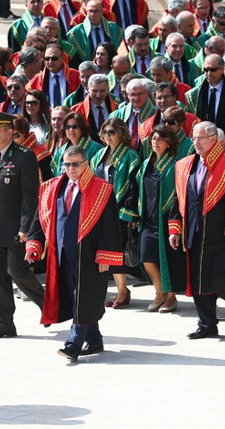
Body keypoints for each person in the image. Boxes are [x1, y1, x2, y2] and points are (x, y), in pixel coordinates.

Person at [23, 145, 122, 360]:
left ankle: (73, 344)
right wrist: (34, 244)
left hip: (89, 255)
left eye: (76, 164)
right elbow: (41, 219)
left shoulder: (102, 189)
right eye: (67, 164)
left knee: (84, 297)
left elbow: (110, 225)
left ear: (86, 164)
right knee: (75, 297)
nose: (71, 168)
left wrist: (106, 254)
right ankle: (94, 340)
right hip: (61, 254)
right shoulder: (53, 188)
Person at [168, 121, 225, 338]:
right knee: (199, 280)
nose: (196, 143)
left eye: (200, 138)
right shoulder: (185, 165)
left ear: (213, 139)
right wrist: (175, 227)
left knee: (221, 276)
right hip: (194, 231)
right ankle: (206, 324)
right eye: (193, 138)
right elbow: (179, 198)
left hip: (220, 233)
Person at [0, 111, 45, 338]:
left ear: (9, 131)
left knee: (17, 270)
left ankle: (50, 306)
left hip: (16, 227)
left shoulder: (24, 156)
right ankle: (3, 323)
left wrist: (26, 227)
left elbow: (29, 196)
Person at [89, 118, 141, 309]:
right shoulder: (98, 155)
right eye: (105, 132)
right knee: (102, 250)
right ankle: (117, 290)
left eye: (112, 132)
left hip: (120, 209)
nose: (108, 136)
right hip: (100, 207)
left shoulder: (131, 156)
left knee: (116, 251)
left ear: (121, 133)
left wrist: (130, 214)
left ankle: (122, 291)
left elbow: (135, 187)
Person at [137, 125, 184, 313]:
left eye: (160, 139)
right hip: (148, 218)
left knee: (168, 260)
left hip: (166, 218)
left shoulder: (174, 165)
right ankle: (160, 292)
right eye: (153, 139)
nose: (155, 142)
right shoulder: (146, 164)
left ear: (169, 142)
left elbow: (178, 195)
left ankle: (171, 296)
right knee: (146, 257)